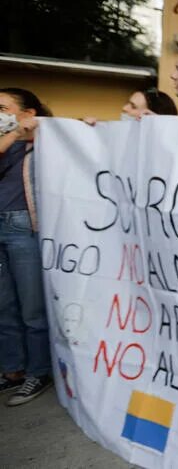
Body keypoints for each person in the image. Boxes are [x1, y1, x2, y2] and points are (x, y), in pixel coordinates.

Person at [0, 87, 53, 406]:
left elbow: (73, 131)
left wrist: (34, 128)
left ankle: (39, 371)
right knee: (4, 306)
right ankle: (13, 369)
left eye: (2, 107)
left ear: (28, 113)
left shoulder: (42, 141)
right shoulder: (9, 141)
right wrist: (14, 133)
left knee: (31, 307)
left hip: (24, 228)